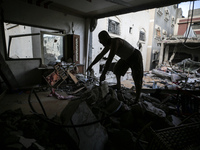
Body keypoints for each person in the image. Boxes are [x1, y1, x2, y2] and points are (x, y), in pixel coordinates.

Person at [87, 30, 143, 102]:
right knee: (117, 69)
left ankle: (137, 98)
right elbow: (100, 55)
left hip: (134, 56)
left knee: (137, 77)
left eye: (102, 41)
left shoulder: (115, 42)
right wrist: (90, 65)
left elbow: (109, 60)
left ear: (106, 38)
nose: (102, 44)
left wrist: (103, 74)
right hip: (125, 58)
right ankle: (118, 86)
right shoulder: (108, 45)